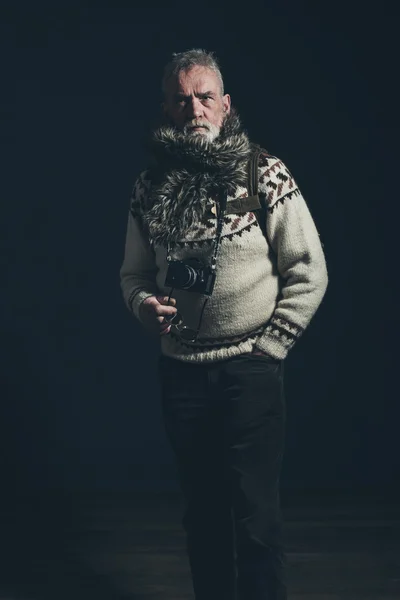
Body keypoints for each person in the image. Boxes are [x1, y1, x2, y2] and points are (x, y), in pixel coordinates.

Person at [120, 49, 328, 600]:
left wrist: (272, 346)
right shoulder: (148, 187)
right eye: (181, 98)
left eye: (205, 96)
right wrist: (143, 305)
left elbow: (309, 269)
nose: (194, 109)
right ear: (166, 109)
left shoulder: (264, 171)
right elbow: (134, 274)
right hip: (181, 375)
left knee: (255, 520)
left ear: (225, 104)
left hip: (251, 371)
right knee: (203, 517)